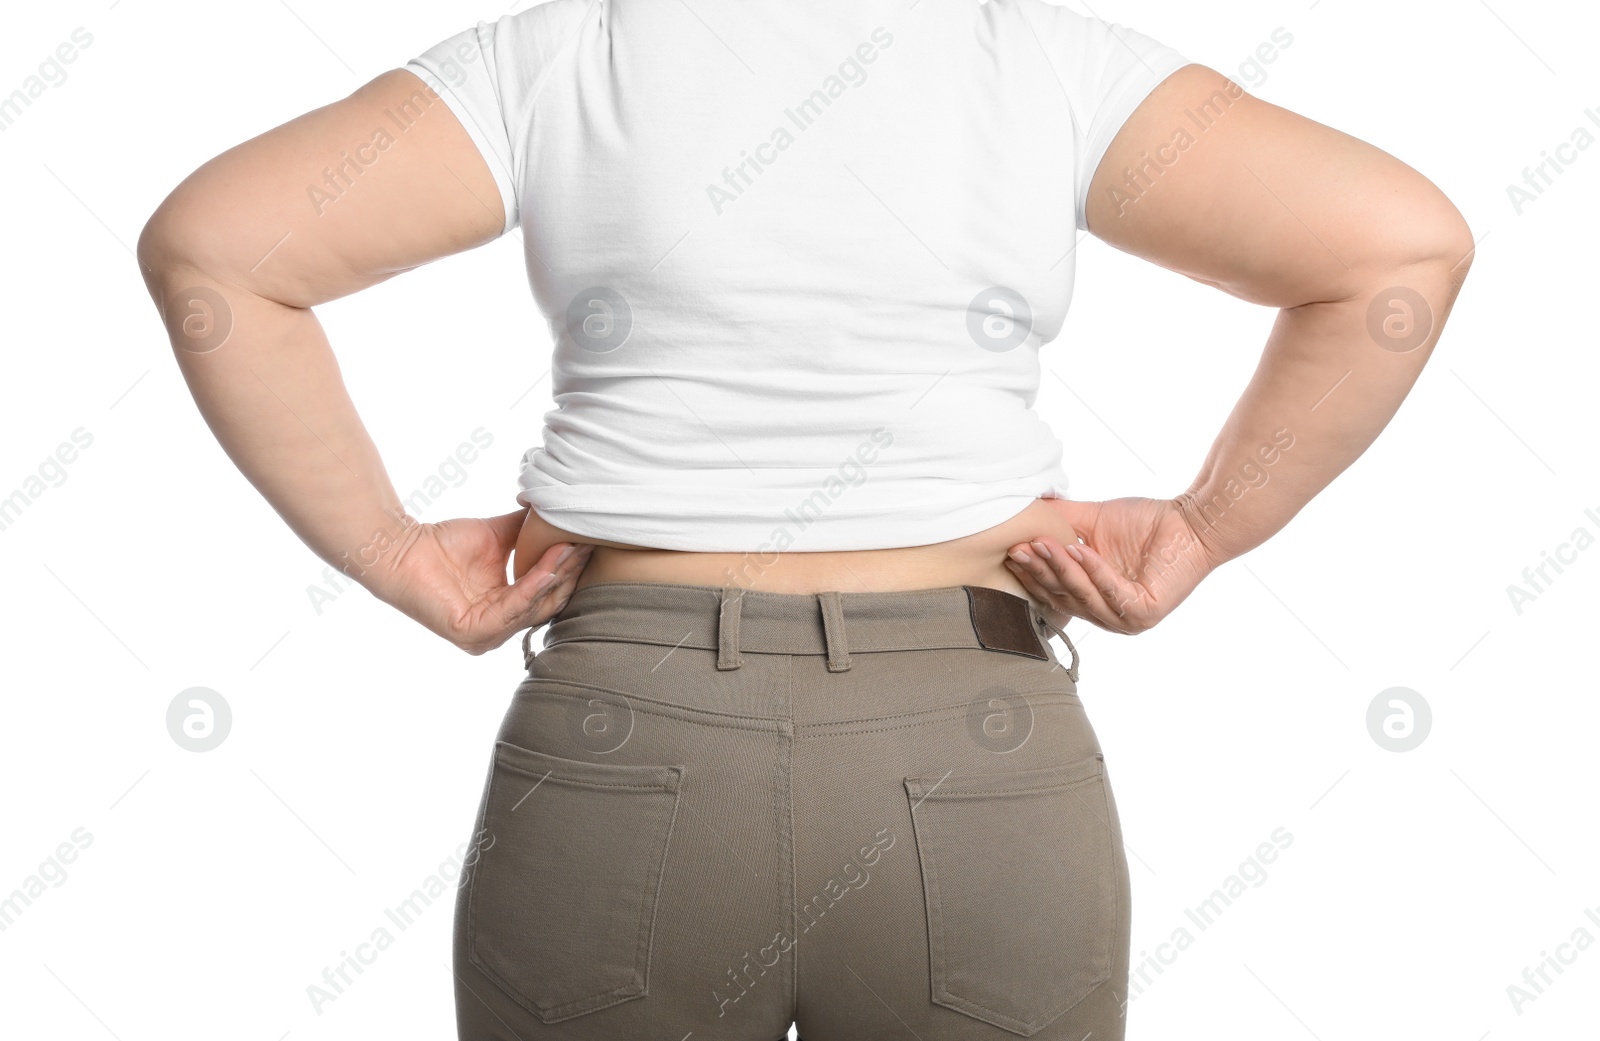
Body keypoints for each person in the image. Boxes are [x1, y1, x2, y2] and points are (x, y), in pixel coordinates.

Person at [136, 1, 1473, 1038]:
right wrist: (1198, 532)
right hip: (975, 751)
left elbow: (217, 249)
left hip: (627, 737)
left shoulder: (566, 56)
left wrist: (402, 557)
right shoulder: (1034, 60)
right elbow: (1400, 246)